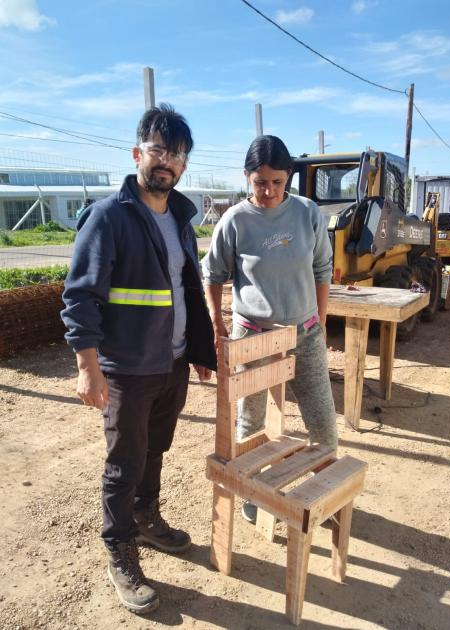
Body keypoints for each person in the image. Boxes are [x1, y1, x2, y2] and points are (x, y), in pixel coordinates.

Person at [61, 104, 216, 614]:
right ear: (137, 154)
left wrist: (197, 351)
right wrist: (87, 366)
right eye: (158, 149)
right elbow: (80, 295)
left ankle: (146, 521)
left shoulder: (180, 217)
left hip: (170, 364)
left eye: (176, 152)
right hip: (126, 367)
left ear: (185, 164)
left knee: (155, 451)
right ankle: (119, 548)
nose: (166, 160)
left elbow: (187, 290)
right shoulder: (110, 216)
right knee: (123, 463)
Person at [201, 135, 338, 523]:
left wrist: (321, 321)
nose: (268, 191)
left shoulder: (308, 214)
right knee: (250, 420)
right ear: (247, 177)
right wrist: (218, 325)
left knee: (323, 422)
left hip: (305, 334)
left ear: (288, 177)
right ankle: (252, 494)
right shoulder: (235, 221)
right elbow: (211, 275)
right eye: (260, 182)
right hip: (255, 338)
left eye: (277, 182)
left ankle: (323, 492)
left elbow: (322, 270)